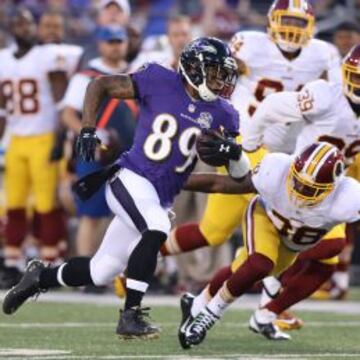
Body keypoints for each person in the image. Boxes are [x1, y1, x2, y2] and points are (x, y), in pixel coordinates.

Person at [2, 37, 241, 339]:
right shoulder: (158, 79)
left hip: (158, 197)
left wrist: (239, 160)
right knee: (155, 228)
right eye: (215, 71)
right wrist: (87, 130)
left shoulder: (225, 114)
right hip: (129, 177)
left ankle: (40, 276)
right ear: (194, 68)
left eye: (224, 73)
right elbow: (100, 85)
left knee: (101, 271)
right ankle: (130, 315)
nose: (221, 80)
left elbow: (233, 177)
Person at [160, 0, 341, 327]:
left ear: (312, 28)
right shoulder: (249, 44)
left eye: (299, 24)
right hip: (244, 142)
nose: (292, 30)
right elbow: (214, 73)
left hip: (289, 154)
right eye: (286, 21)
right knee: (287, 223)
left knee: (212, 232)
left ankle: (183, 288)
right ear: (270, 22)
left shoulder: (323, 54)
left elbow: (339, 94)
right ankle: (271, 299)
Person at [179, 141, 360, 347]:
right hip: (265, 217)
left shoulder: (349, 198)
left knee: (243, 270)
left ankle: (197, 305)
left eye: (310, 189)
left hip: (293, 242)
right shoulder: (276, 169)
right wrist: (176, 181)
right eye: (297, 181)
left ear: (332, 188)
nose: (298, 189)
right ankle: (210, 315)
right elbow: (220, 184)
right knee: (259, 264)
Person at [241, 43, 360, 309]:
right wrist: (250, 143)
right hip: (300, 184)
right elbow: (272, 105)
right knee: (329, 245)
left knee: (326, 256)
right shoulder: (325, 97)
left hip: (333, 188)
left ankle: (267, 310)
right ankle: (266, 294)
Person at [0, 9, 68, 286]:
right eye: (18, 23)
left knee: (46, 205)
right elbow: (3, 109)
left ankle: (48, 263)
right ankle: (12, 261)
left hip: (42, 137)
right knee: (14, 204)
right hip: (16, 138)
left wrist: (58, 138)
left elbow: (62, 100)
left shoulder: (47, 56)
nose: (22, 28)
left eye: (27, 23)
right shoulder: (3, 59)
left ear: (35, 28)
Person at [62, 25, 136, 262]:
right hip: (94, 151)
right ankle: (82, 270)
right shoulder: (85, 77)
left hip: (129, 151)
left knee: (128, 214)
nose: (115, 46)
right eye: (110, 41)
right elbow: (68, 114)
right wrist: (91, 135)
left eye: (119, 41)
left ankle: (116, 269)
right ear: (100, 44)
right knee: (91, 213)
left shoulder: (135, 74)